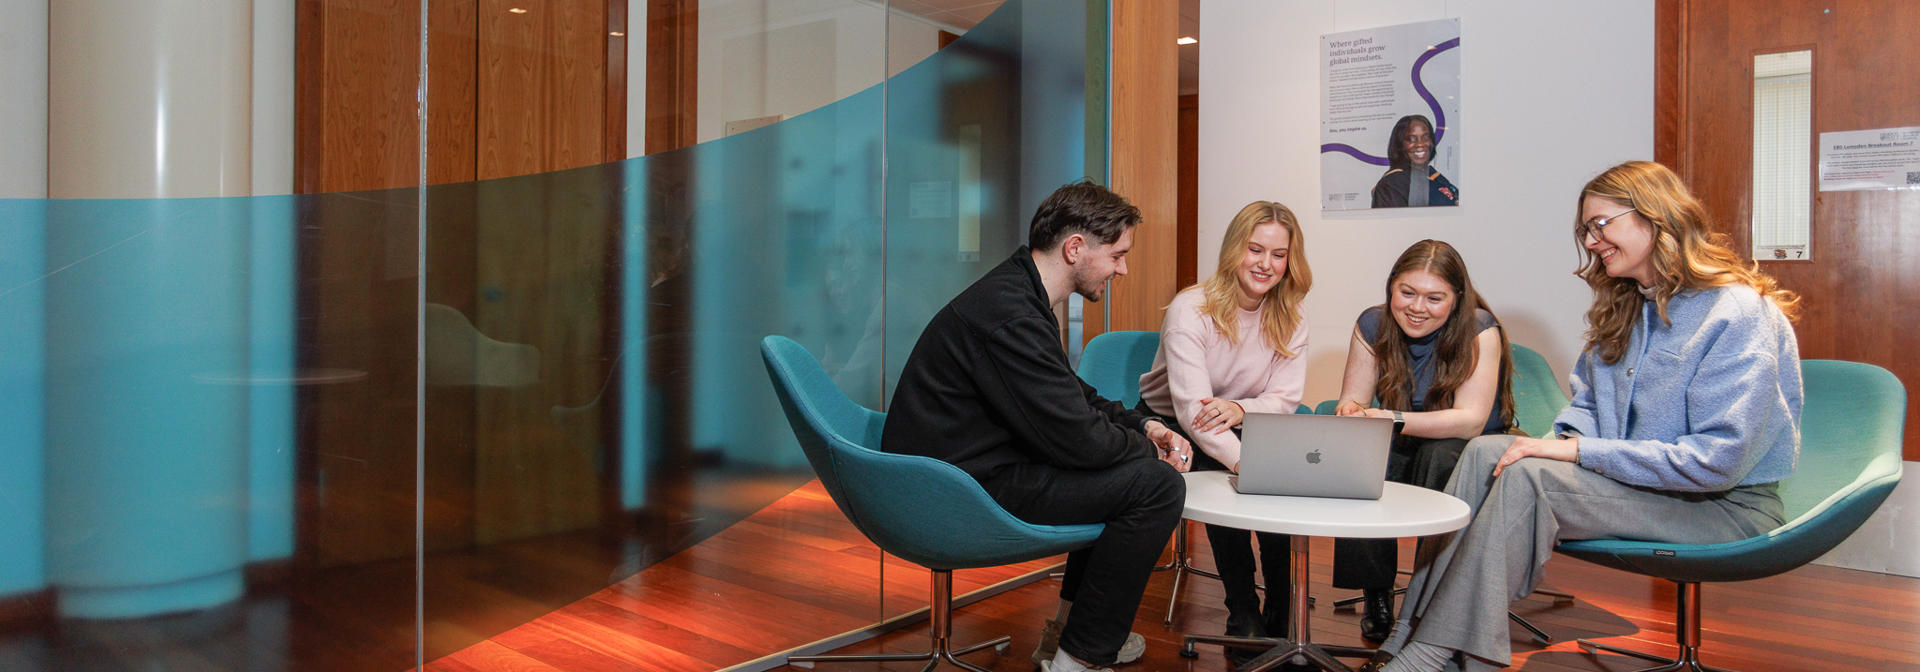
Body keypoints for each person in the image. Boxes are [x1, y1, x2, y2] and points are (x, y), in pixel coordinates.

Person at [1364, 160, 1802, 672]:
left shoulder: (1739, 313)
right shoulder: (1627, 309)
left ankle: (1434, 656)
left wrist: (1570, 451)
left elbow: (1717, 462)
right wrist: (1562, 441)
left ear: (1654, 216)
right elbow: (1588, 411)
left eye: (1601, 225)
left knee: (1532, 479)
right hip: (1645, 492)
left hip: (1721, 507)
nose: (1591, 241)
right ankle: (1409, 638)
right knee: (1488, 450)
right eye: (1586, 230)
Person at [884, 180, 1193, 672]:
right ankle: (1078, 661)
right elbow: (1079, 440)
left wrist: (1144, 426)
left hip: (970, 469)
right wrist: (1151, 454)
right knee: (1154, 487)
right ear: (1075, 248)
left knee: (1128, 476)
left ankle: (1065, 638)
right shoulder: (1010, 313)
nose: (1123, 268)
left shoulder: (1019, 294)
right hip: (955, 488)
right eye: (1117, 255)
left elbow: (1069, 395)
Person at [1135, 200, 1312, 666]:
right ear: (1235, 249)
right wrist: (1245, 463)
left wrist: (1238, 408)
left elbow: (1285, 400)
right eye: (1256, 249)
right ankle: (1243, 611)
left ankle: (1282, 605)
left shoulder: (1290, 316)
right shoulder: (1191, 308)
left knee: (1282, 482)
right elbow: (1194, 411)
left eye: (1279, 254)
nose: (1266, 264)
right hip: (1172, 420)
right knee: (1224, 472)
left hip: (1244, 417)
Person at [1329, 239, 1515, 645]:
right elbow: (1354, 398)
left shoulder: (1480, 328)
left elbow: (1469, 421)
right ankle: (1375, 594)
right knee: (1359, 455)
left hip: (1467, 442)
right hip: (1405, 431)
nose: (1417, 307)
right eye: (1407, 293)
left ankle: (1431, 597)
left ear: (1456, 299)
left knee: (1440, 455)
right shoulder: (1372, 324)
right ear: (1391, 287)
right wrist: (1352, 412)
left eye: (1435, 298)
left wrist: (1392, 419)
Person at [1370, 115, 1459, 208]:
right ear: (1400, 143)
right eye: (1412, 139)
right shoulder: (1392, 184)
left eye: (1425, 138)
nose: (1420, 144)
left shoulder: (1434, 176)